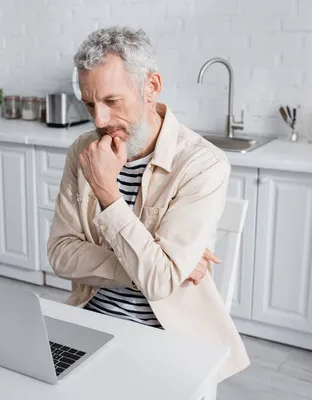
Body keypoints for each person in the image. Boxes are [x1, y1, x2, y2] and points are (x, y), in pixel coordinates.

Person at [47, 26, 249, 383]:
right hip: (88, 316)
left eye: (111, 102)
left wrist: (108, 194)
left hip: (166, 337)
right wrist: (158, 266)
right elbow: (61, 254)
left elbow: (159, 283)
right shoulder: (82, 151)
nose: (98, 120)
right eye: (89, 104)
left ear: (151, 87)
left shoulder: (203, 165)